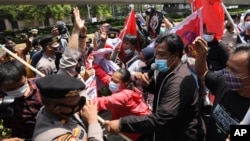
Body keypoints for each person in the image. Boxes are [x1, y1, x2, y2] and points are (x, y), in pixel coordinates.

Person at [104, 33, 205, 141]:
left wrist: (122, 124)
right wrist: (147, 84)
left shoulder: (179, 81)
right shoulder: (165, 70)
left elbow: (162, 118)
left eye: (162, 54)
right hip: (166, 132)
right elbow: (161, 91)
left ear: (175, 55)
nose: (157, 58)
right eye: (156, 53)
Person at [194, 37, 250, 141]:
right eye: (227, 67)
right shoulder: (224, 83)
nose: (227, 72)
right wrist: (202, 54)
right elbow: (202, 72)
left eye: (234, 70)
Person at [33, 74, 103, 141]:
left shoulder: (54, 110)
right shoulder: (55, 137)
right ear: (58, 109)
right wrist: (93, 121)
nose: (80, 105)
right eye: (77, 104)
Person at [94, 68, 150, 140]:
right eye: (112, 79)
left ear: (125, 83)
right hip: (133, 124)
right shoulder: (120, 86)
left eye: (115, 81)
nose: (112, 82)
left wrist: (82, 101)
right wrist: (94, 66)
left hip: (139, 129)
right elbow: (105, 77)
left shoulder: (124, 95)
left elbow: (104, 102)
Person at [0, 59, 43, 140]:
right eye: (11, 89)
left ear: (26, 76)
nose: (18, 90)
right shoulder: (1, 98)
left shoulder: (42, 86)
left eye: (21, 85)